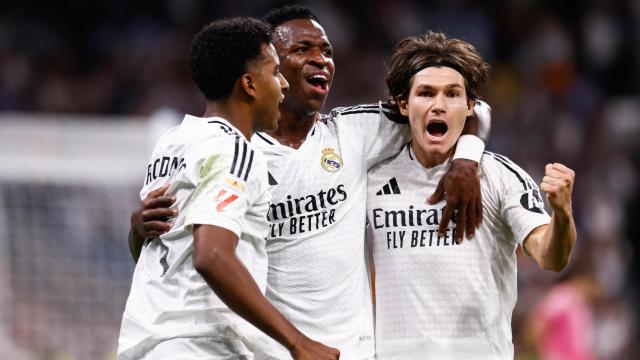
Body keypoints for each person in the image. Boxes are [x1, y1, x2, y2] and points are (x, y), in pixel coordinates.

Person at [129, 6, 491, 359]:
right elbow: (199, 254)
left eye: (327, 51)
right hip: (268, 348)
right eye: (302, 49)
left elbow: (472, 109)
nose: (322, 60)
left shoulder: (357, 131)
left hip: (349, 351)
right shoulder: (233, 150)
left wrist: (465, 159)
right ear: (262, 68)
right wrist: (140, 230)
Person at [118, 17, 339, 360]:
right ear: (249, 85)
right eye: (275, 72)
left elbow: (157, 250)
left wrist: (135, 230)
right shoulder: (235, 149)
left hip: (147, 341)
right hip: (200, 344)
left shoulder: (174, 141)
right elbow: (212, 255)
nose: (283, 85)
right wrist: (297, 342)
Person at [367, 31, 577, 359]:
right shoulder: (372, 178)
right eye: (425, 93)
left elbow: (552, 257)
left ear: (469, 107)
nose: (439, 105)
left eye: (452, 94)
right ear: (404, 105)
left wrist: (562, 214)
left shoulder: (499, 176)